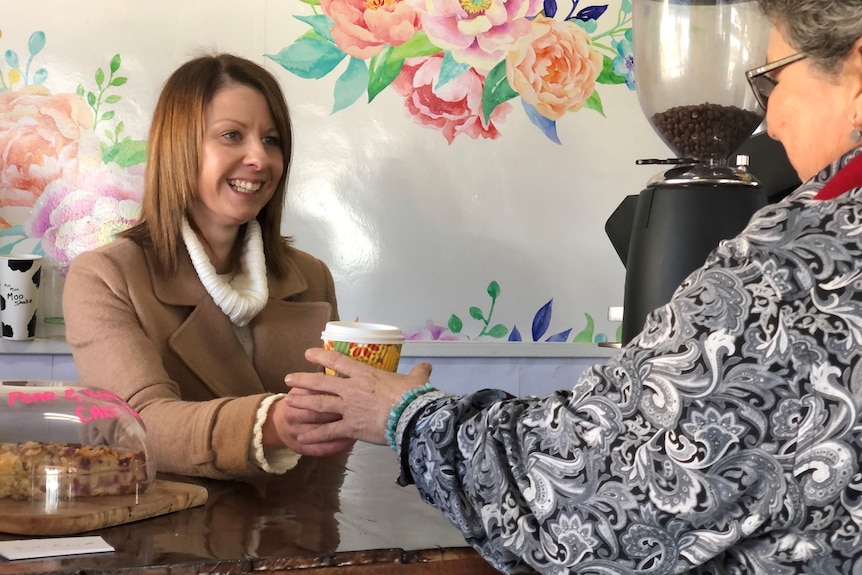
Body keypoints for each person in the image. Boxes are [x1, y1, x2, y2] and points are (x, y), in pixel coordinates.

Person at [282, 1, 862, 573]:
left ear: (856, 72)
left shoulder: (798, 267)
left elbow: (592, 501)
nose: (769, 119)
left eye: (771, 80)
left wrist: (405, 415)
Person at [63, 54, 351, 479]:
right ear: (179, 147)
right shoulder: (105, 277)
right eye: (232, 135)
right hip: (171, 531)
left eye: (272, 140)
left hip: (305, 530)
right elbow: (136, 424)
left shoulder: (311, 277)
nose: (260, 158)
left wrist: (389, 402)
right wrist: (268, 423)